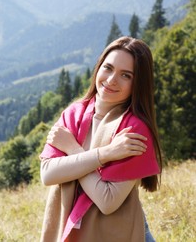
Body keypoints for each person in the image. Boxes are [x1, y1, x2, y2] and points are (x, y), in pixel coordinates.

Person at [39, 36, 162, 242]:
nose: (112, 79)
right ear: (98, 67)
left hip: (118, 233)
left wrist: (72, 150)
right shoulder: (74, 114)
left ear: (138, 83)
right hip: (75, 230)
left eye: (126, 75)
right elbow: (48, 174)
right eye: (108, 68)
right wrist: (107, 153)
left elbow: (107, 201)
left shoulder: (134, 129)